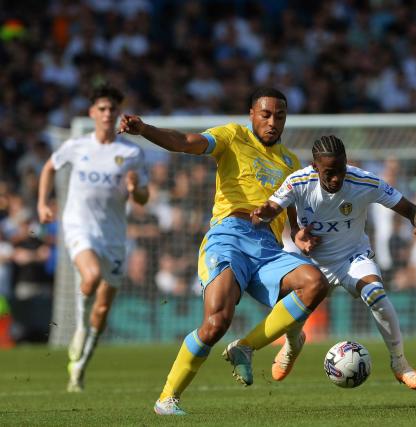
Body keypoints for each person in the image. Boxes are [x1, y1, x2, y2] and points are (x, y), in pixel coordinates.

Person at [118, 87, 329, 416]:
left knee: (315, 282)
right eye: (266, 114)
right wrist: (145, 130)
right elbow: (186, 143)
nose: (273, 122)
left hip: (268, 249)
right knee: (217, 322)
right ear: (252, 115)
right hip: (229, 235)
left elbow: (293, 214)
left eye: (280, 116)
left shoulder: (290, 161)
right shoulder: (232, 136)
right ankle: (167, 399)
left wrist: (300, 235)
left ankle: (246, 347)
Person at [251, 135, 416, 389]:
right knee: (289, 304)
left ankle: (400, 364)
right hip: (313, 263)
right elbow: (273, 208)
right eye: (329, 172)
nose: (336, 178)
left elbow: (412, 208)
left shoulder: (364, 181)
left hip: (353, 257)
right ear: (315, 166)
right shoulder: (298, 181)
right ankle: (293, 343)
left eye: (340, 170)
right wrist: (269, 218)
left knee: (376, 294)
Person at [37, 83, 150, 392]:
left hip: (113, 235)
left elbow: (143, 198)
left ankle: (81, 364)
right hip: (78, 227)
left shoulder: (131, 152)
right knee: (91, 276)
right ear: (92, 113)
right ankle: (77, 330)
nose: (107, 113)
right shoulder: (77, 146)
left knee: (102, 309)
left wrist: (134, 189)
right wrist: (42, 203)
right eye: (101, 108)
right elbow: (49, 167)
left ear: (117, 113)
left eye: (112, 108)